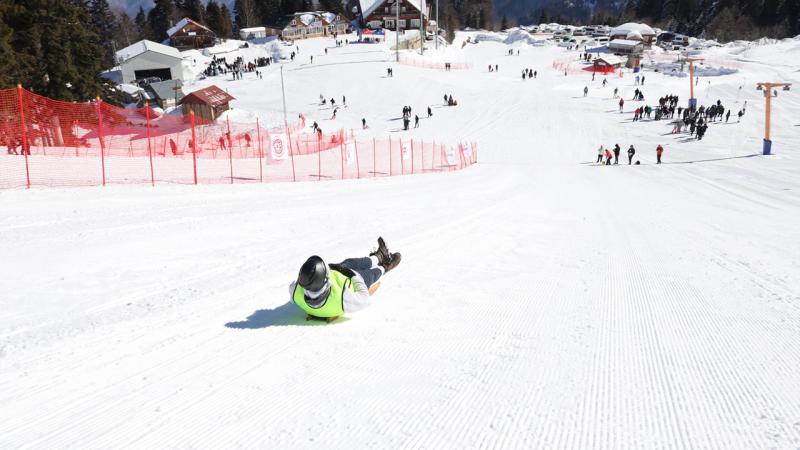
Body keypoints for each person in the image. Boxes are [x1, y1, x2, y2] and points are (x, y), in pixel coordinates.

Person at [290, 237, 401, 321]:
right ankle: (386, 266)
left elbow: (306, 278)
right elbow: (364, 299)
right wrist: (354, 276)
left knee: (348, 263)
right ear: (325, 280)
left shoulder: (295, 292)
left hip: (336, 276)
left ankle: (379, 256)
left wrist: (330, 268)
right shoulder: (343, 299)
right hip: (351, 283)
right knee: (368, 274)